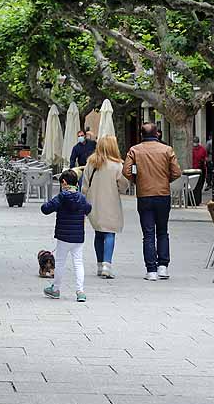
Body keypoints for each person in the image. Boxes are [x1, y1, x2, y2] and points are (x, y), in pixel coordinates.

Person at [123, 123, 182, 281]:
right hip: (163, 194)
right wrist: (165, 179)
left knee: (148, 233)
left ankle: (151, 270)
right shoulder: (167, 150)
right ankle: (163, 266)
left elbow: (126, 171)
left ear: (141, 134)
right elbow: (177, 171)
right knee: (162, 231)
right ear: (157, 134)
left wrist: (137, 181)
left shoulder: (134, 150)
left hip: (144, 195)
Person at [81, 134, 130, 279]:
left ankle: (99, 264)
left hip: (93, 203)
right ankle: (106, 266)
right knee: (109, 233)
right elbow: (123, 186)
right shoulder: (117, 165)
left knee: (98, 233)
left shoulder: (91, 163)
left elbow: (84, 186)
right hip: (111, 203)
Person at [41, 168, 93, 302]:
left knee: (60, 263)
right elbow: (88, 209)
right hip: (78, 237)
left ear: (63, 182)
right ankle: (80, 291)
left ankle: (56, 289)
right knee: (78, 263)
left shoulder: (61, 197)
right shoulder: (81, 198)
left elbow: (45, 209)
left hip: (63, 236)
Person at [191, 136, 208, 204]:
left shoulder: (202, 149)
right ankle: (193, 199)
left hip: (201, 169)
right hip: (193, 169)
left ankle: (198, 199)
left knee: (199, 185)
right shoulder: (191, 149)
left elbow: (205, 158)